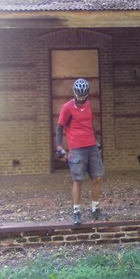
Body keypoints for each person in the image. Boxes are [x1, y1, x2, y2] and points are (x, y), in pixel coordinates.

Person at [55, 78, 105, 224]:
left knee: (97, 178)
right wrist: (59, 147)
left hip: (91, 146)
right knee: (78, 180)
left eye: (84, 96)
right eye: (79, 95)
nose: (81, 99)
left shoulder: (88, 105)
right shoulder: (67, 108)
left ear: (87, 94)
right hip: (76, 148)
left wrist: (96, 141)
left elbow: (89, 124)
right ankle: (76, 211)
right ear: (74, 93)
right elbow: (59, 127)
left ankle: (95, 209)